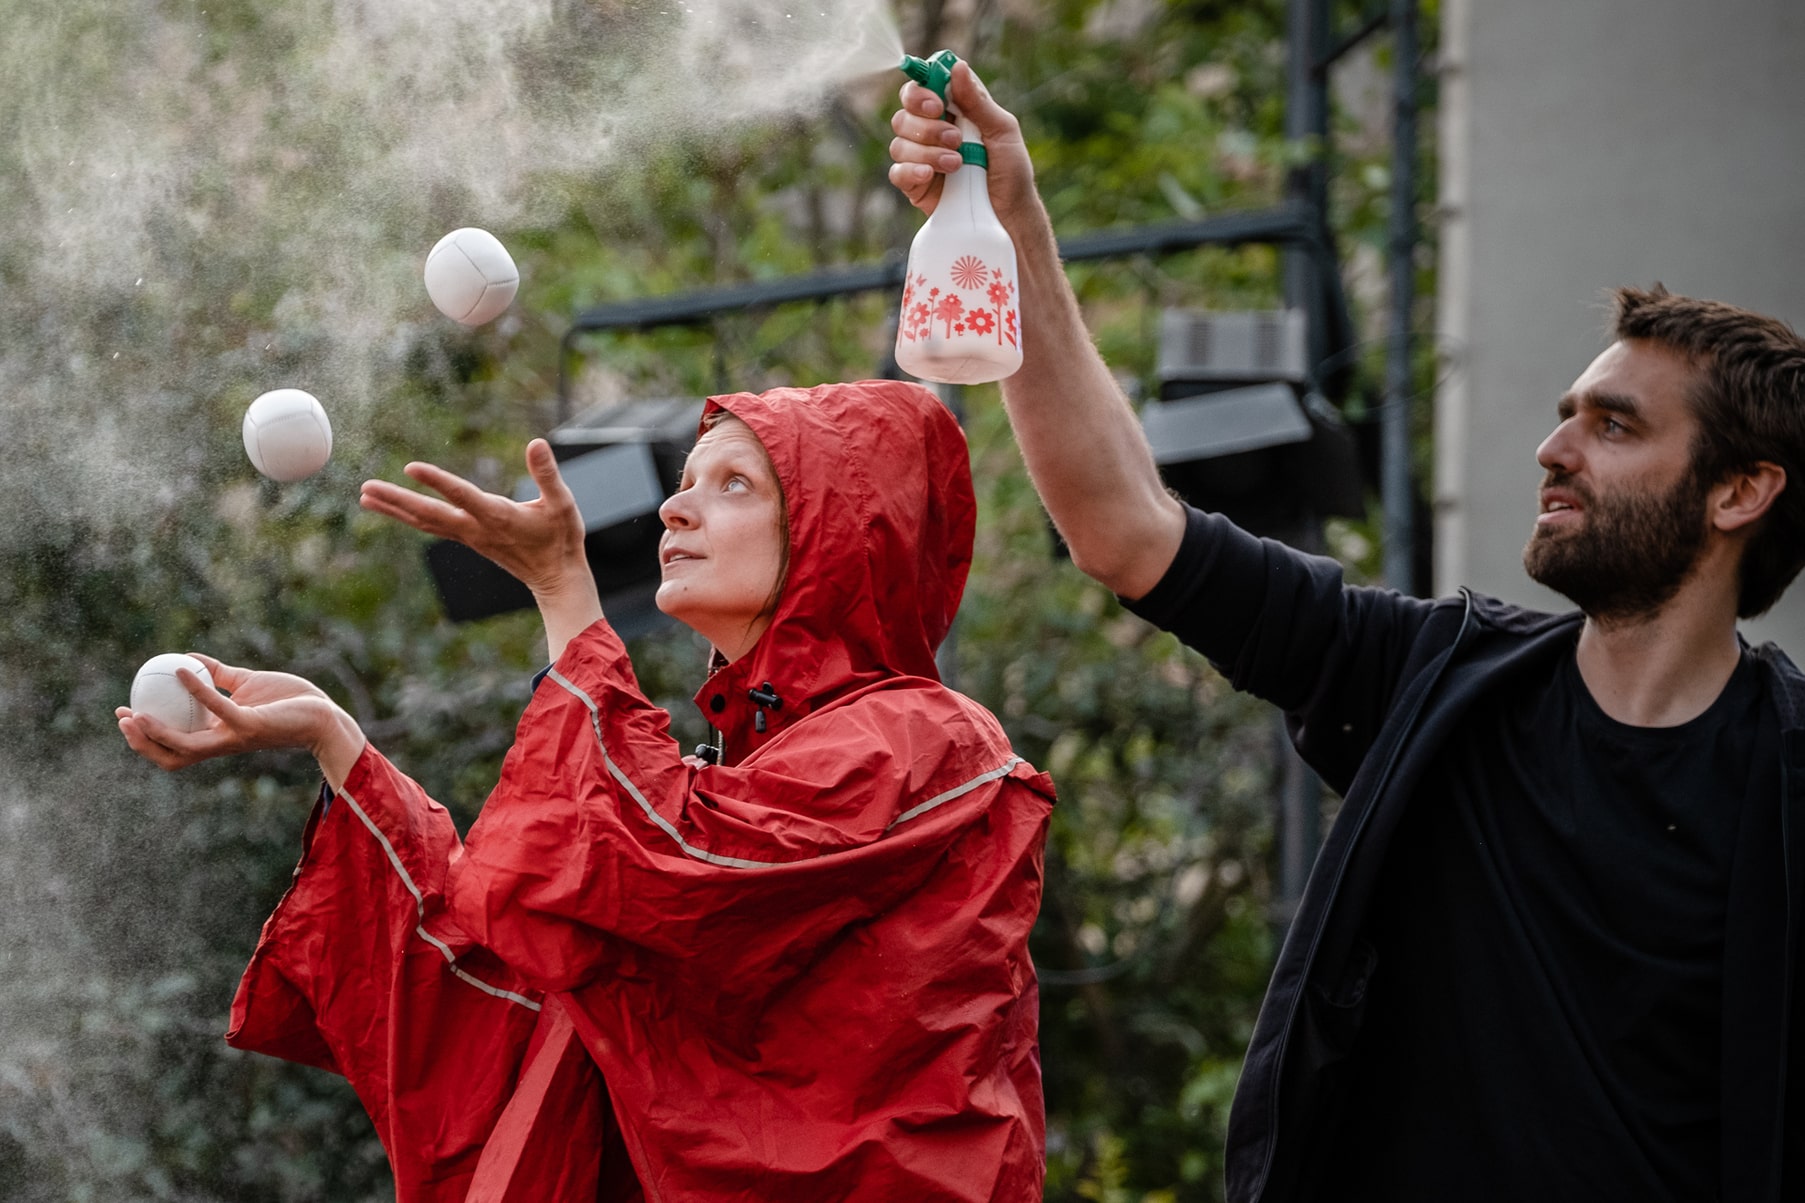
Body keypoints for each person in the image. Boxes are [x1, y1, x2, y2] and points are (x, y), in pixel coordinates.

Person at [889, 62, 1805, 1203]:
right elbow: (1125, 530)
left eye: (1613, 426)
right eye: (1564, 414)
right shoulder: (1428, 678)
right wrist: (1015, 219)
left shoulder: (1783, 781)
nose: (1553, 449)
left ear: (1738, 492)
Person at [116, 379, 1057, 1202]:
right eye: (686, 481)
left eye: (734, 483)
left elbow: (653, 867)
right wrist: (335, 738)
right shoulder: (744, 774)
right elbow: (516, 997)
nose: (675, 509)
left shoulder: (925, 739)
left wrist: (564, 587)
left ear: (840, 532)